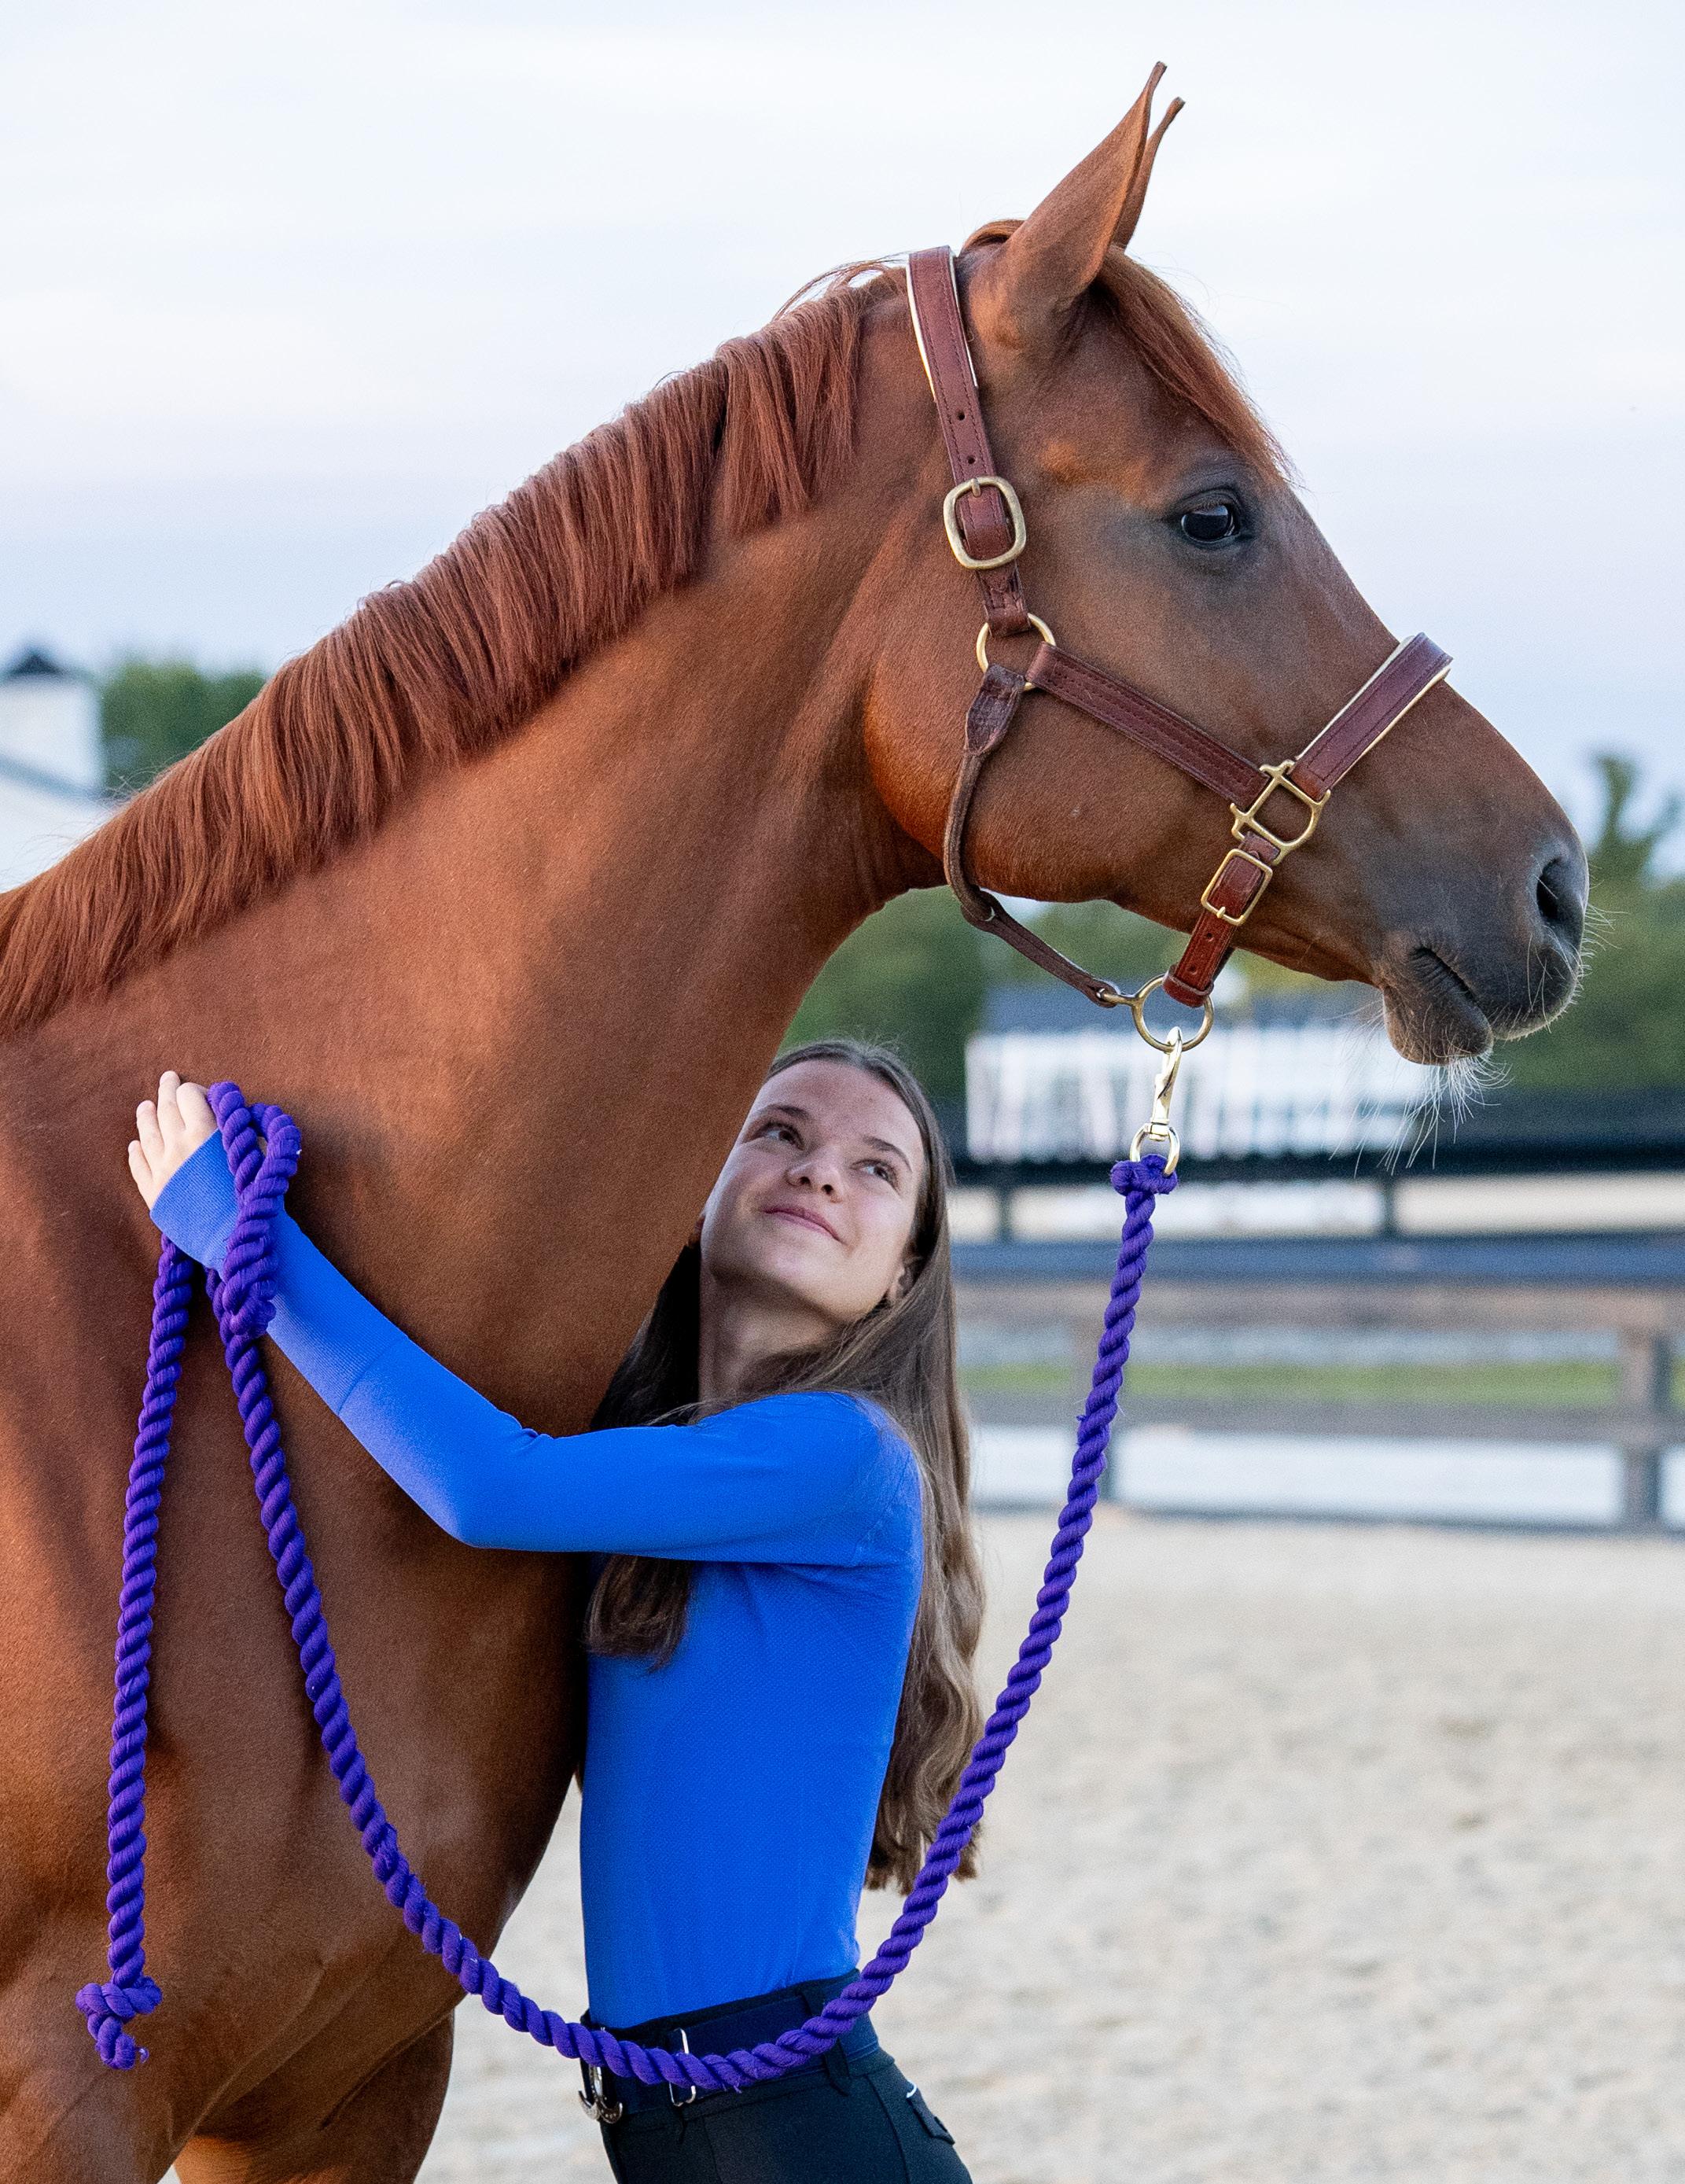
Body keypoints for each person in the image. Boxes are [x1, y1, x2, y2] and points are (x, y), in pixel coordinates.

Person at [129, 1040, 982, 2182]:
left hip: (795, 2130)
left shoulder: (848, 1458)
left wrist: (245, 1241)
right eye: (779, 1131)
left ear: (903, 1273)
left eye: (877, 1168)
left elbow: (489, 1485)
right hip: (680, 2126)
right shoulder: (650, 1473)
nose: (820, 1169)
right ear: (702, 1193)